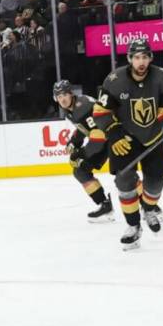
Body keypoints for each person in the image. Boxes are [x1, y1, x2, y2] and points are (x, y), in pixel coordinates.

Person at [90, 38, 163, 250]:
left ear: (150, 58)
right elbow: (101, 113)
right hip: (124, 139)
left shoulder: (162, 77)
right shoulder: (114, 80)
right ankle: (133, 227)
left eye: (145, 57)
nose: (141, 62)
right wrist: (113, 134)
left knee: (156, 183)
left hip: (153, 137)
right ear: (130, 59)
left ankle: (149, 209)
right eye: (137, 57)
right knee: (124, 181)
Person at [53, 80, 113, 222]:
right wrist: (74, 140)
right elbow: (85, 128)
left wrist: (80, 154)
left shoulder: (84, 106)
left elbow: (99, 135)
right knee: (80, 171)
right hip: (104, 141)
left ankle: (149, 206)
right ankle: (105, 206)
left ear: (71, 94)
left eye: (64, 95)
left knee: (124, 173)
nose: (62, 99)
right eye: (59, 96)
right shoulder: (73, 109)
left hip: (114, 139)